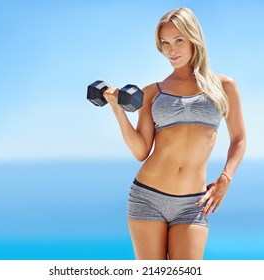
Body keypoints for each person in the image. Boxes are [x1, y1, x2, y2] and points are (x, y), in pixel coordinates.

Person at [102, 7, 246, 260]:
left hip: (193, 204)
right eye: (165, 43)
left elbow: (239, 139)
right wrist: (117, 110)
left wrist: (225, 178)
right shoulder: (152, 92)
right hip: (147, 197)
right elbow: (140, 151)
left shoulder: (224, 86)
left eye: (179, 40)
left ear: (194, 38)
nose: (172, 50)